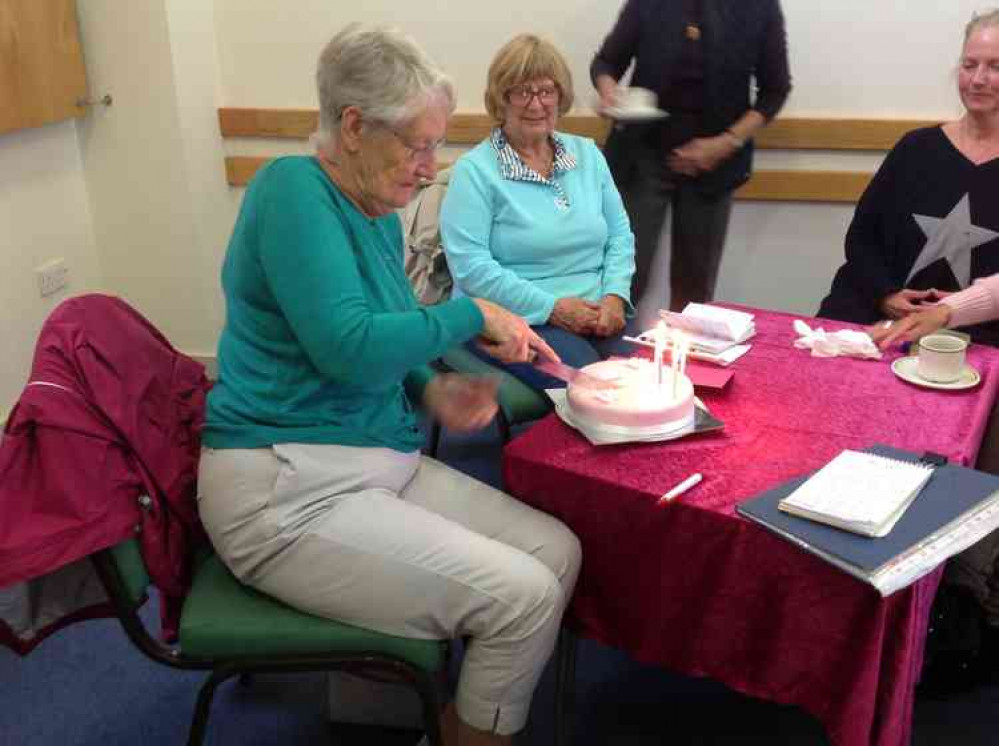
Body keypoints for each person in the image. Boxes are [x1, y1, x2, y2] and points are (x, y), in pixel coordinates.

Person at [197, 25, 581, 746]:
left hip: (365, 463)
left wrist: (429, 390)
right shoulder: (292, 192)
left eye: (436, 146)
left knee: (555, 552)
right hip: (282, 489)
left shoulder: (372, 208)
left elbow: (385, 326)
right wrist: (470, 312)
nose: (428, 167)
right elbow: (345, 344)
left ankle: (429, 720)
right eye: (417, 145)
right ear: (352, 127)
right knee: (522, 598)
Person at [440, 34, 637, 391]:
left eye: (547, 91)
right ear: (501, 99)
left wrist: (615, 296)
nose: (536, 104)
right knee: (594, 391)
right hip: (513, 318)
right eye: (522, 92)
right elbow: (471, 269)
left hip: (598, 311)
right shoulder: (475, 171)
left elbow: (620, 235)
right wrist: (553, 308)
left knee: (654, 377)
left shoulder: (588, 155)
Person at [591, 0, 791, 312]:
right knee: (624, 277)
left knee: (695, 288)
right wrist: (609, 93)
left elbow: (775, 90)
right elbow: (606, 63)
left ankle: (686, 359)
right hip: (642, 156)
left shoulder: (759, 6)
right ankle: (613, 357)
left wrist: (725, 143)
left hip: (716, 164)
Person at [821, 9, 999, 345]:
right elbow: (861, 238)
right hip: (876, 313)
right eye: (969, 64)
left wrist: (949, 312)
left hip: (973, 336)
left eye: (996, 66)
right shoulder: (915, 147)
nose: (978, 79)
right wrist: (884, 294)